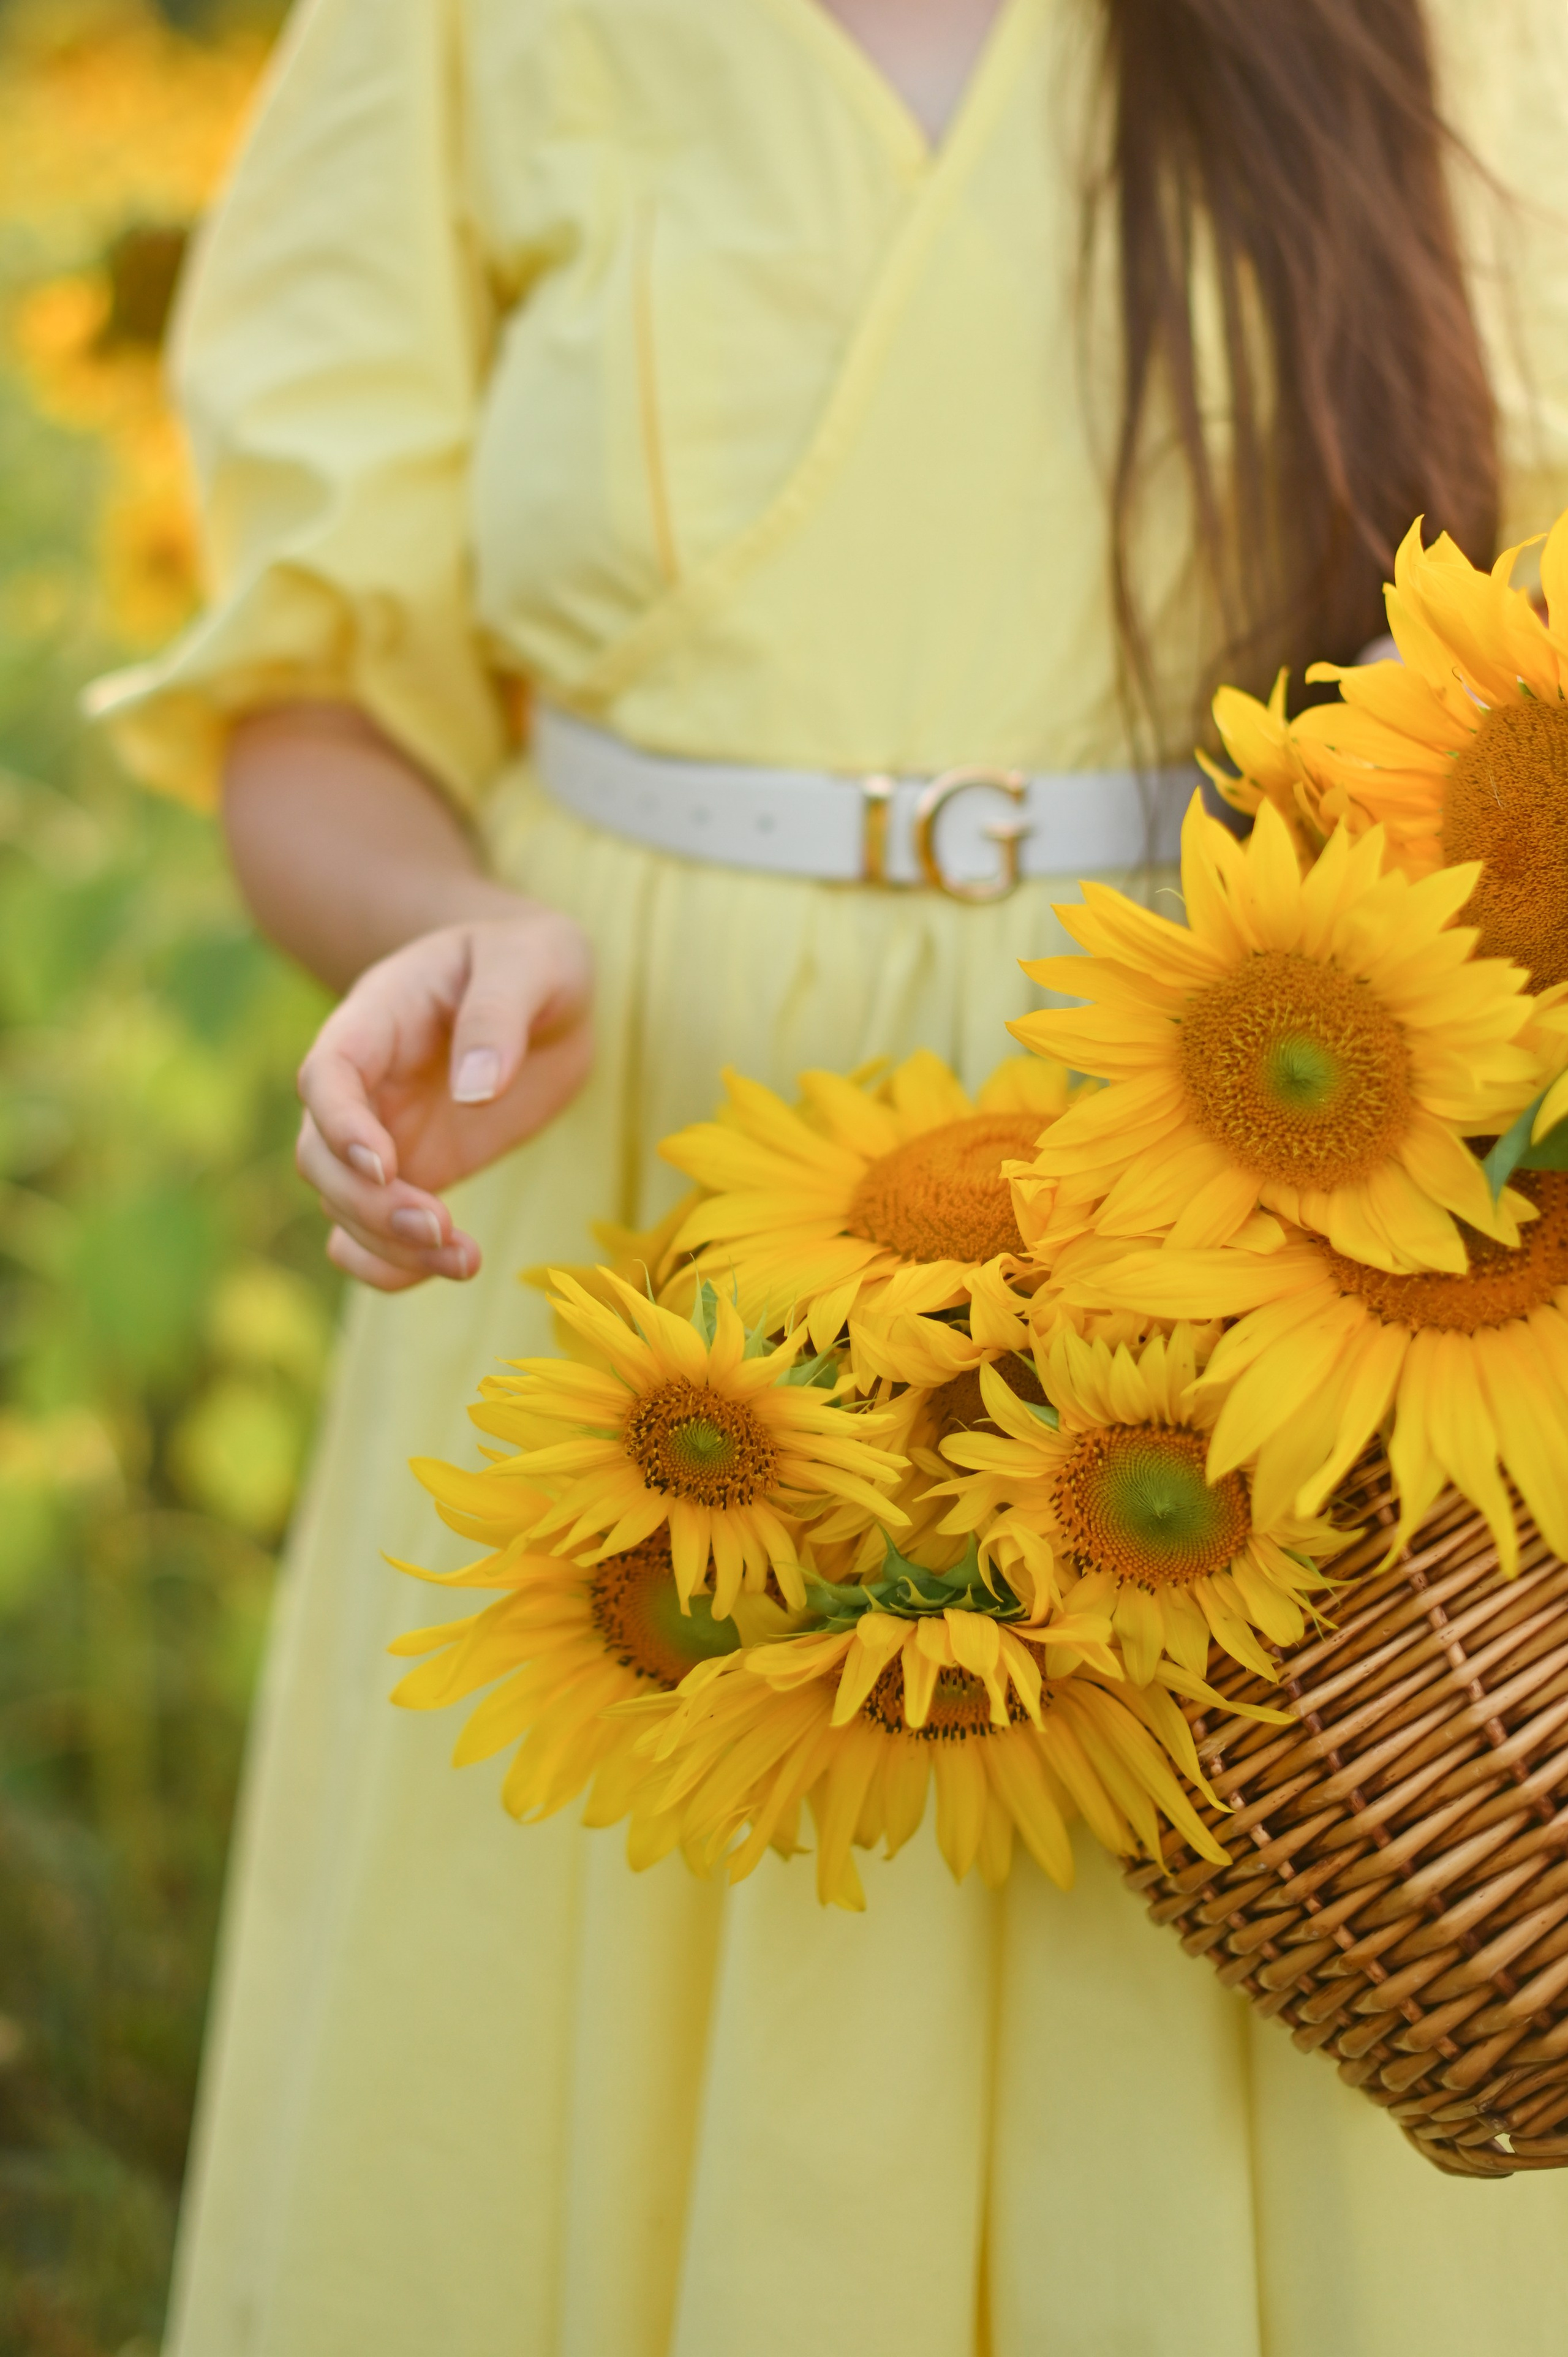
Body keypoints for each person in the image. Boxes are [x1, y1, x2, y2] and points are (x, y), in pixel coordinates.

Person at [90, 0, 1568, 2348]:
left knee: (1214, 2020)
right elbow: (312, 706)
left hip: (1225, 1205)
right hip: (620, 1191)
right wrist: (442, 933)